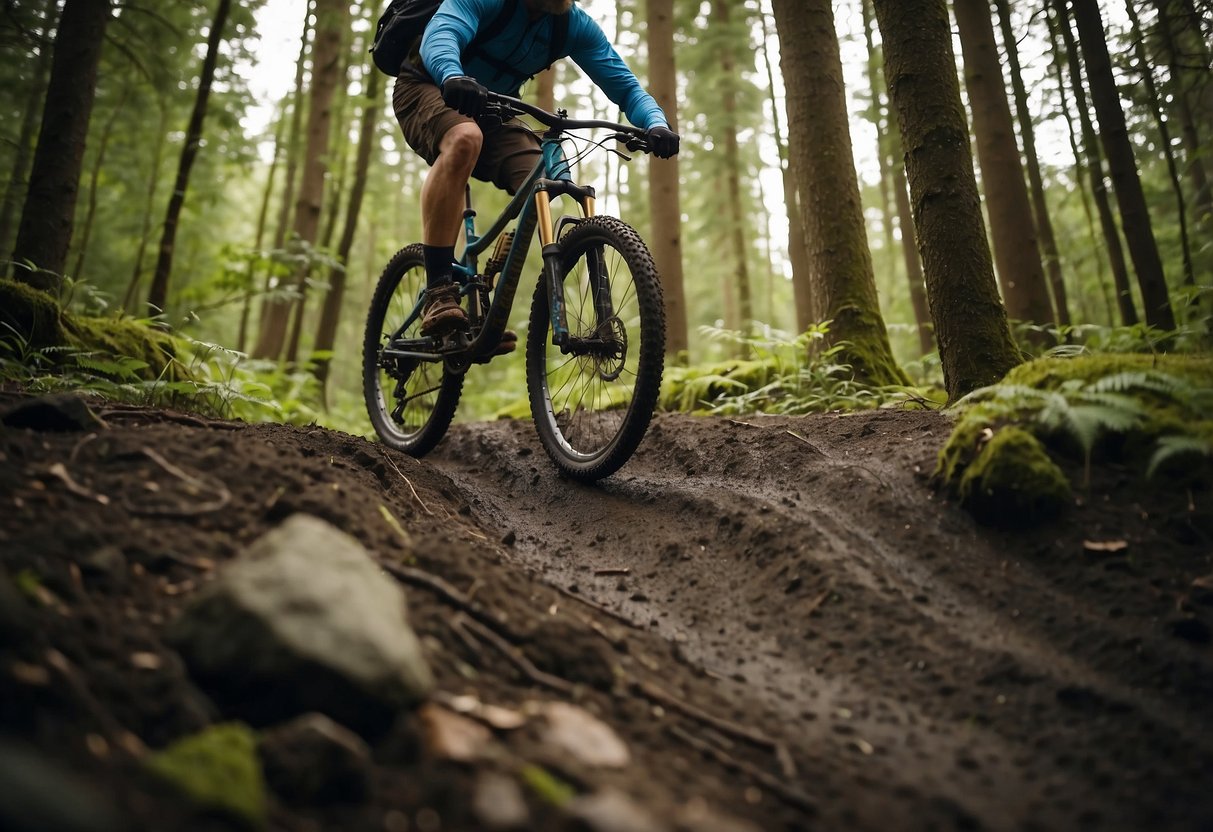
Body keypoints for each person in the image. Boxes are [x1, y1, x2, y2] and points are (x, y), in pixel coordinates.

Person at [392, 0, 680, 339]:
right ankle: (439, 288)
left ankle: (482, 292)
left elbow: (626, 87)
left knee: (540, 181)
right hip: (428, 83)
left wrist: (656, 124)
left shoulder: (572, 25)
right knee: (465, 138)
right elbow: (443, 34)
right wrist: (452, 73)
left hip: (492, 106)